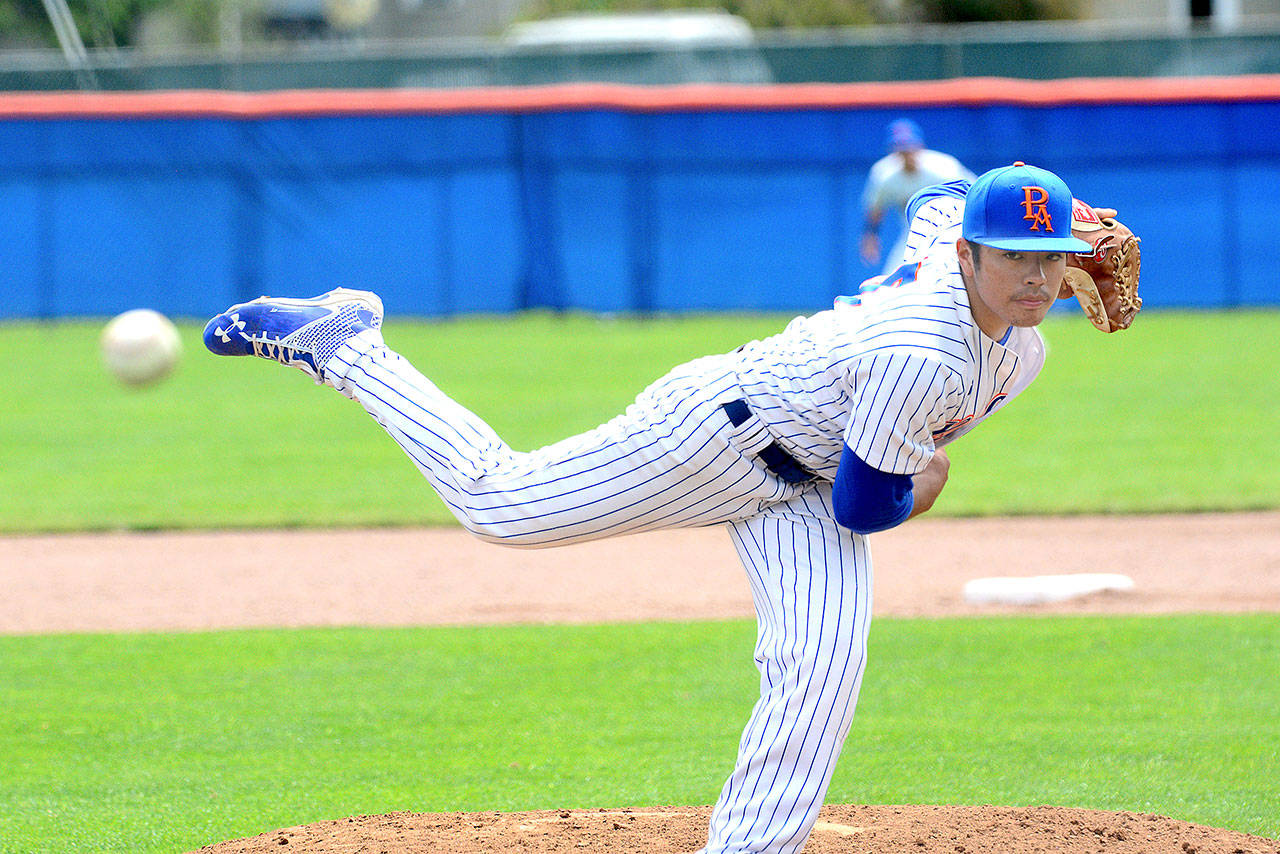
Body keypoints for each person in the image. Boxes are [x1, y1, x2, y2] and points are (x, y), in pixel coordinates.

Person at [203, 161, 1094, 854]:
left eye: (1051, 255)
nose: (1034, 275)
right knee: (500, 504)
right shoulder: (927, 351)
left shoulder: (995, 297)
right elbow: (867, 508)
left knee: (822, 664)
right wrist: (924, 486)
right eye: (1013, 254)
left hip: (807, 476)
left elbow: (939, 193)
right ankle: (347, 343)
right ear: (969, 257)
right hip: (719, 431)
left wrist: (1047, 214)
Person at [860, 118, 975, 273]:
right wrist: (870, 237)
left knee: (952, 274)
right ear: (893, 149)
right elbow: (876, 208)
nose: (907, 153)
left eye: (909, 147)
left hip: (949, 229)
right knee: (893, 278)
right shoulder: (885, 174)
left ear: (920, 145)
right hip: (912, 233)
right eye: (901, 148)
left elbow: (975, 194)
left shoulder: (943, 168)